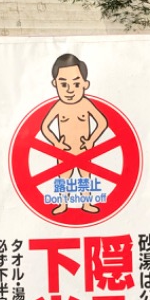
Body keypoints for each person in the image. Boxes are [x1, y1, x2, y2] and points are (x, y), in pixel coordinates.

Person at [39, 53, 108, 216]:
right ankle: (62, 204)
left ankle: (87, 203)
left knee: (85, 178)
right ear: (55, 84)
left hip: (84, 149)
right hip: (64, 151)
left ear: (85, 84)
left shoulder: (86, 104)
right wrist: (56, 143)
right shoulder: (58, 106)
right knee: (63, 179)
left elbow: (102, 122)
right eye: (63, 84)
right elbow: (44, 127)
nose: (70, 90)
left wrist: (92, 140)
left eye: (76, 84)